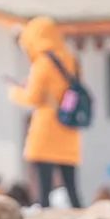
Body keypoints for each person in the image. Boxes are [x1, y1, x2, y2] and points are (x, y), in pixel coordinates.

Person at [8, 17, 83, 209]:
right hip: (68, 127)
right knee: (72, 189)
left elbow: (32, 97)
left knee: (44, 192)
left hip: (46, 129)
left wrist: (15, 92)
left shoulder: (42, 63)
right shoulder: (71, 59)